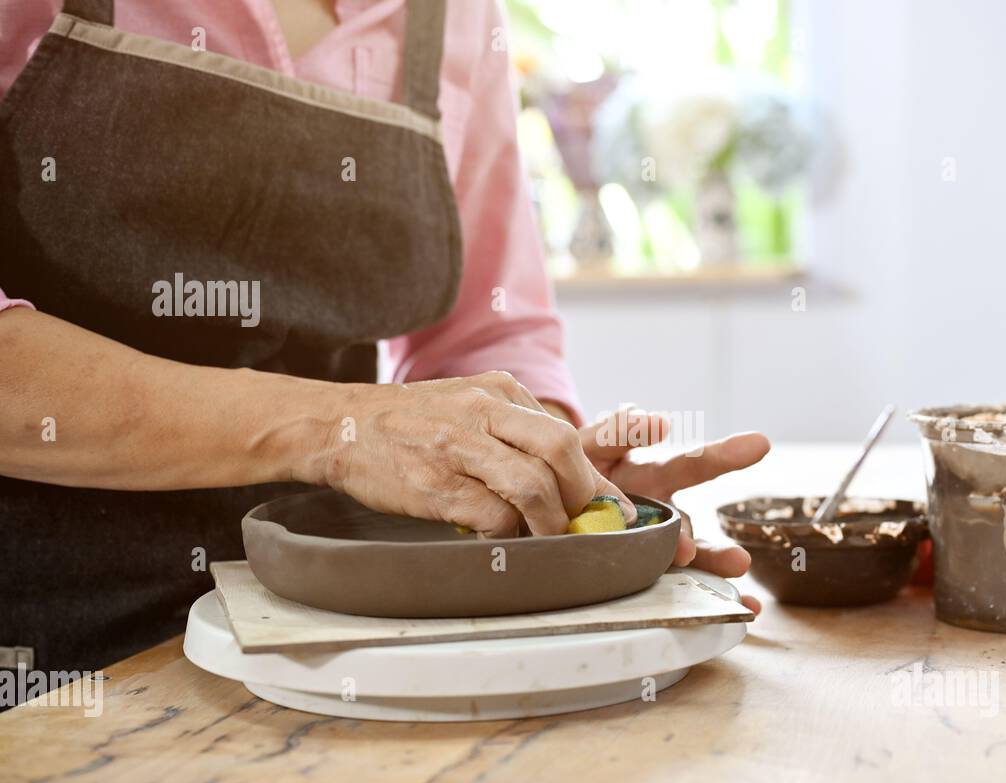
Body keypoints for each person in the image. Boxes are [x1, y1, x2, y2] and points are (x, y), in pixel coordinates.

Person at [0, 0, 768, 675]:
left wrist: (544, 484)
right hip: (45, 645)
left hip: (330, 643)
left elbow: (487, 330)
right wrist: (335, 430)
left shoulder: (459, 15)